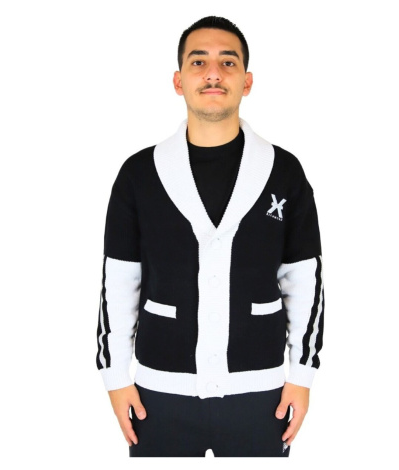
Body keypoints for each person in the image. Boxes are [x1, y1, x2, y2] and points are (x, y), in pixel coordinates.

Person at [95, 15, 325, 458]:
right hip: (157, 396)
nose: (213, 73)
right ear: (178, 80)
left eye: (228, 62)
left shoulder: (285, 172)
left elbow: (305, 280)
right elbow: (118, 283)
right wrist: (115, 378)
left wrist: (302, 375)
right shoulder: (139, 174)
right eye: (198, 62)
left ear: (247, 81)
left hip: (263, 395)